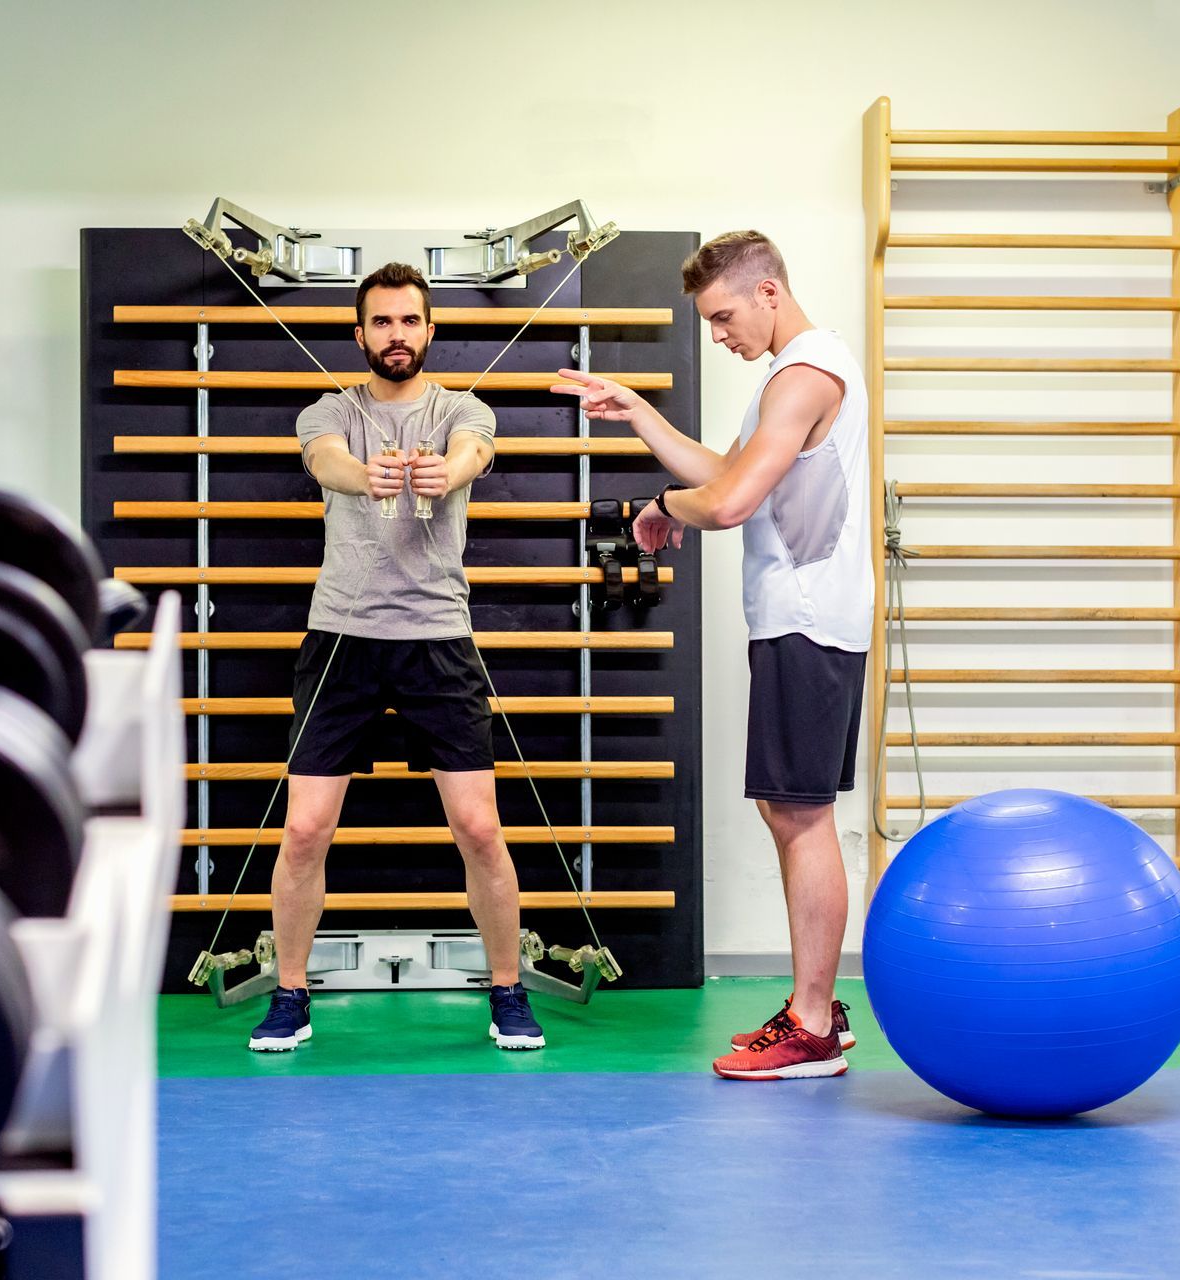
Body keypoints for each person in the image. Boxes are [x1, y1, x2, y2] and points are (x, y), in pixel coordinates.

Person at [553, 230, 871, 1080]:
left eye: (724, 316)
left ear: (769, 292)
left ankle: (811, 1025)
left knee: (799, 814)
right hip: (800, 620)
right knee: (789, 809)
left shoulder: (807, 372)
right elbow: (722, 469)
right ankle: (816, 1015)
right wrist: (640, 413)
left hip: (808, 620)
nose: (720, 335)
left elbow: (724, 503)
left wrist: (660, 505)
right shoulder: (786, 379)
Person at [245, 261, 545, 1053]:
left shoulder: (461, 409)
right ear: (361, 335)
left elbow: (475, 449)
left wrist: (454, 468)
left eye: (409, 321)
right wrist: (365, 479)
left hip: (437, 641)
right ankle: (290, 995)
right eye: (381, 322)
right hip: (342, 639)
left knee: (479, 828)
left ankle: (508, 991)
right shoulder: (330, 411)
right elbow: (325, 461)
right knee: (305, 829)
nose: (396, 335)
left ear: (429, 330)